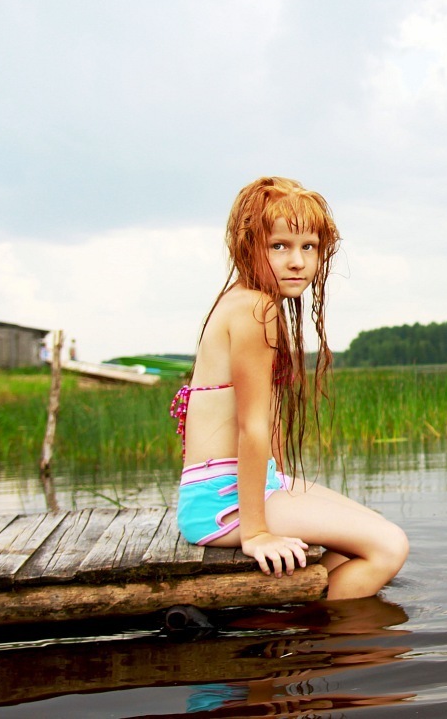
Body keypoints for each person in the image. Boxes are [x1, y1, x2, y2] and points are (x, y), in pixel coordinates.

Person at [171, 177, 408, 600]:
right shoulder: (255, 309)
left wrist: (280, 484)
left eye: (308, 247)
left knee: (361, 538)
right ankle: (311, 632)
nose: (297, 262)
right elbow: (252, 427)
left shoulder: (250, 301)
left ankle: (296, 614)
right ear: (247, 246)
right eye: (279, 246)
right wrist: (257, 533)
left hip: (238, 487)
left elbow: (271, 417)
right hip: (220, 502)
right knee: (389, 547)